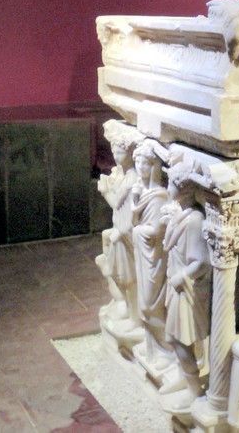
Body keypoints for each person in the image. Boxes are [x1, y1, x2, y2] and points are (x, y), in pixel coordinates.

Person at [160, 162, 212, 411]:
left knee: (179, 339)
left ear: (185, 191)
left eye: (171, 184)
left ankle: (195, 389)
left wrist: (181, 277)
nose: (167, 187)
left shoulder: (194, 221)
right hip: (177, 284)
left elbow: (201, 262)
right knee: (175, 337)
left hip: (187, 289)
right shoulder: (181, 215)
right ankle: (185, 376)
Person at [132, 140, 171, 369]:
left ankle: (168, 350)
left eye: (145, 163)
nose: (140, 167)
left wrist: (137, 229)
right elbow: (134, 221)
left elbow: (156, 230)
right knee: (143, 304)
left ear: (154, 166)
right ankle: (153, 348)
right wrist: (135, 203)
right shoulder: (141, 191)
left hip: (154, 257)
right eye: (137, 162)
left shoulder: (158, 196)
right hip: (143, 254)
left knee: (151, 305)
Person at [96, 127, 139, 330]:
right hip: (119, 227)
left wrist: (105, 191)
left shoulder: (132, 178)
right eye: (113, 151)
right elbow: (117, 204)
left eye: (120, 152)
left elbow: (120, 205)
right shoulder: (123, 174)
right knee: (118, 273)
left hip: (125, 232)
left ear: (130, 153)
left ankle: (134, 317)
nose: (116, 156)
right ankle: (123, 305)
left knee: (129, 278)